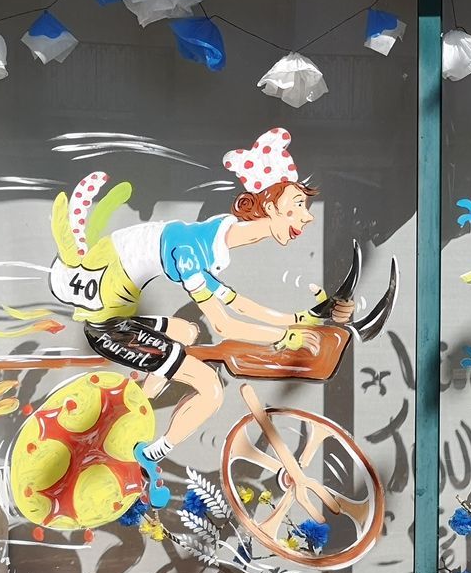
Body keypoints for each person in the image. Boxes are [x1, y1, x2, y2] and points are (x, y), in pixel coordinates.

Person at [48, 128, 331, 509]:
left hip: (119, 320)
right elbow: (226, 324)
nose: (307, 217)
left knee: (186, 331)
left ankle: (133, 403)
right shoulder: (189, 252)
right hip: (109, 329)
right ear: (269, 206)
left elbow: (236, 302)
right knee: (210, 389)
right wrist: (282, 338)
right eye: (297, 206)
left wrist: (295, 319)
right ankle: (150, 454)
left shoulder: (207, 240)